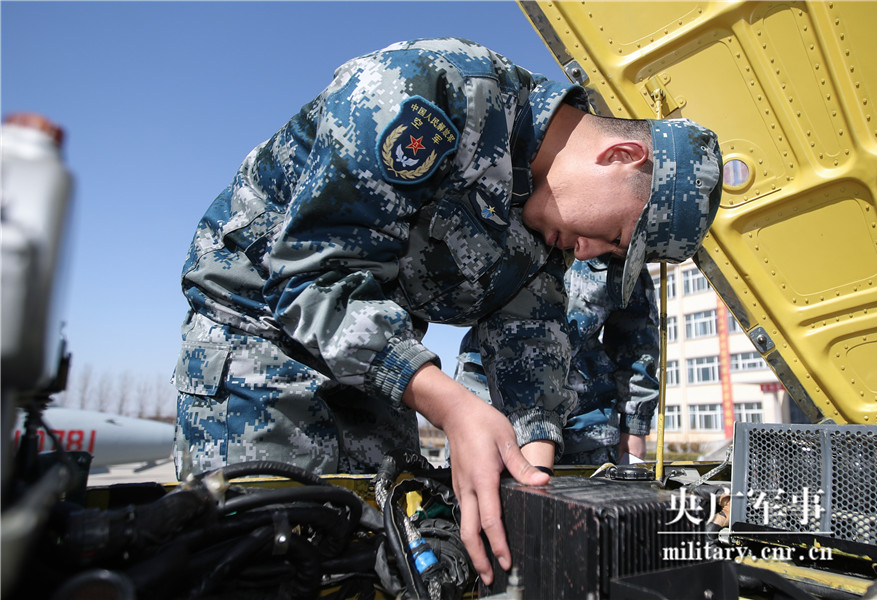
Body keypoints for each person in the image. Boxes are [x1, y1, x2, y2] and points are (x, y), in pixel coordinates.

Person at [172, 37, 723, 584]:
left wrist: (536, 484)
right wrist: (456, 408)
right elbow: (311, 279)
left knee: (389, 553)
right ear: (622, 157)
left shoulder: (547, 228)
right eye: (614, 236)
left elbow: (531, 344)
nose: (588, 252)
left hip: (372, 364)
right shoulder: (431, 92)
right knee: (266, 560)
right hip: (257, 335)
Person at [456, 258, 660, 468]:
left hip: (584, 430)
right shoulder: (502, 230)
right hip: (488, 415)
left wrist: (635, 426)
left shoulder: (618, 241)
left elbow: (636, 338)